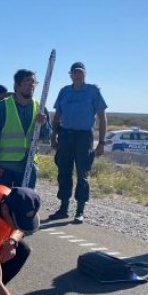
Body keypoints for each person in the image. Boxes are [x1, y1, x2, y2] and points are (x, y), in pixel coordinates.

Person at [47, 61, 108, 224]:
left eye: (80, 71)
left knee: (83, 173)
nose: (77, 74)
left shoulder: (93, 91)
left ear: (85, 74)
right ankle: (63, 208)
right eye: (74, 72)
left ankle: (80, 210)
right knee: (64, 172)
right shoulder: (64, 92)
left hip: (83, 137)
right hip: (65, 135)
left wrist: (101, 142)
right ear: (70, 74)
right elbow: (57, 116)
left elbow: (102, 118)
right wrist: (53, 137)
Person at [0, 69, 48, 190]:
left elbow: (46, 136)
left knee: (25, 206)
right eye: (26, 81)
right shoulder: (2, 106)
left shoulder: (40, 108)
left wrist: (43, 125)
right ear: (16, 85)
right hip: (4, 168)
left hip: (29, 166)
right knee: (1, 205)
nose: (31, 85)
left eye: (33, 82)